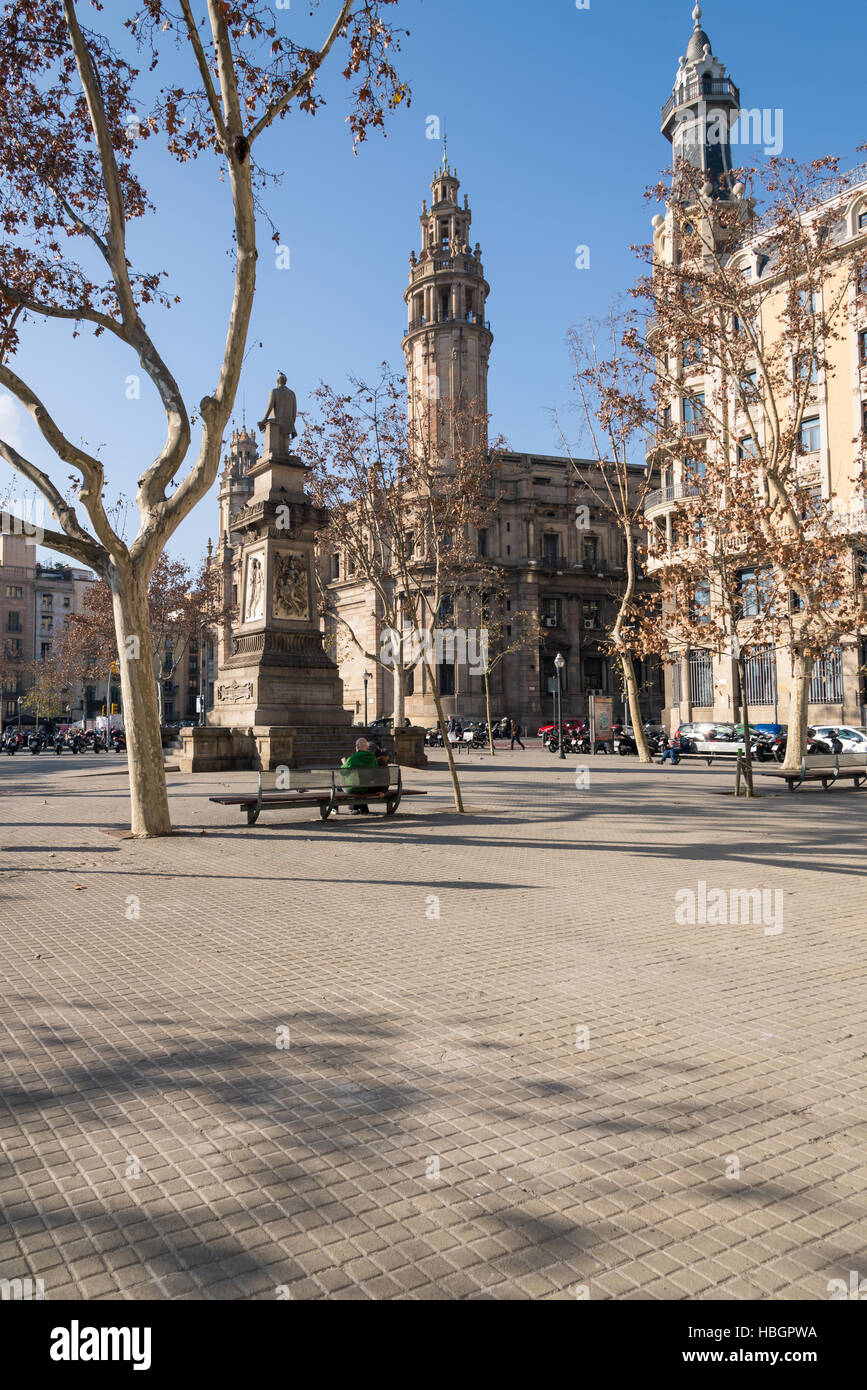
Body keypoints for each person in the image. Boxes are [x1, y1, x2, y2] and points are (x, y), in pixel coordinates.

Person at [340, 737, 380, 815]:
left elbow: (343, 772)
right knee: (359, 785)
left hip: (352, 788)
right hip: (366, 787)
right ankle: (359, 808)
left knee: (339, 785)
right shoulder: (373, 758)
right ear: (366, 747)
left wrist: (344, 763)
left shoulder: (353, 758)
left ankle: (334, 808)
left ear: (357, 747)